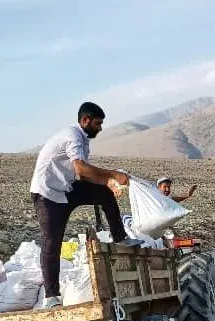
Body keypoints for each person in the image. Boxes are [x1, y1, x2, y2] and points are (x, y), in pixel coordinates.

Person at [30, 101, 142, 309]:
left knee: (105, 195)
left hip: (68, 188)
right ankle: (52, 295)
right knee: (52, 242)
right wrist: (112, 173)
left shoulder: (83, 140)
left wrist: (109, 183)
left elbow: (86, 176)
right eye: (98, 124)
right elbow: (81, 169)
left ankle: (120, 237)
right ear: (85, 120)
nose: (100, 128)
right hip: (48, 194)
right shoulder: (72, 135)